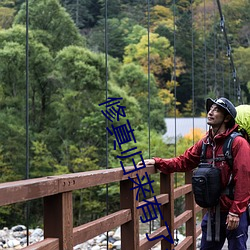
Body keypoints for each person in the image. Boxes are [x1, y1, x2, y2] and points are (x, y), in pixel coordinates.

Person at [137, 97, 250, 250]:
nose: (210, 112)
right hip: (213, 211)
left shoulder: (238, 143)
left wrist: (236, 212)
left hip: (233, 211)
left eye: (216, 110)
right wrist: (158, 162)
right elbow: (184, 161)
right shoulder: (205, 143)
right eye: (210, 109)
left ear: (227, 118)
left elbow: (244, 178)